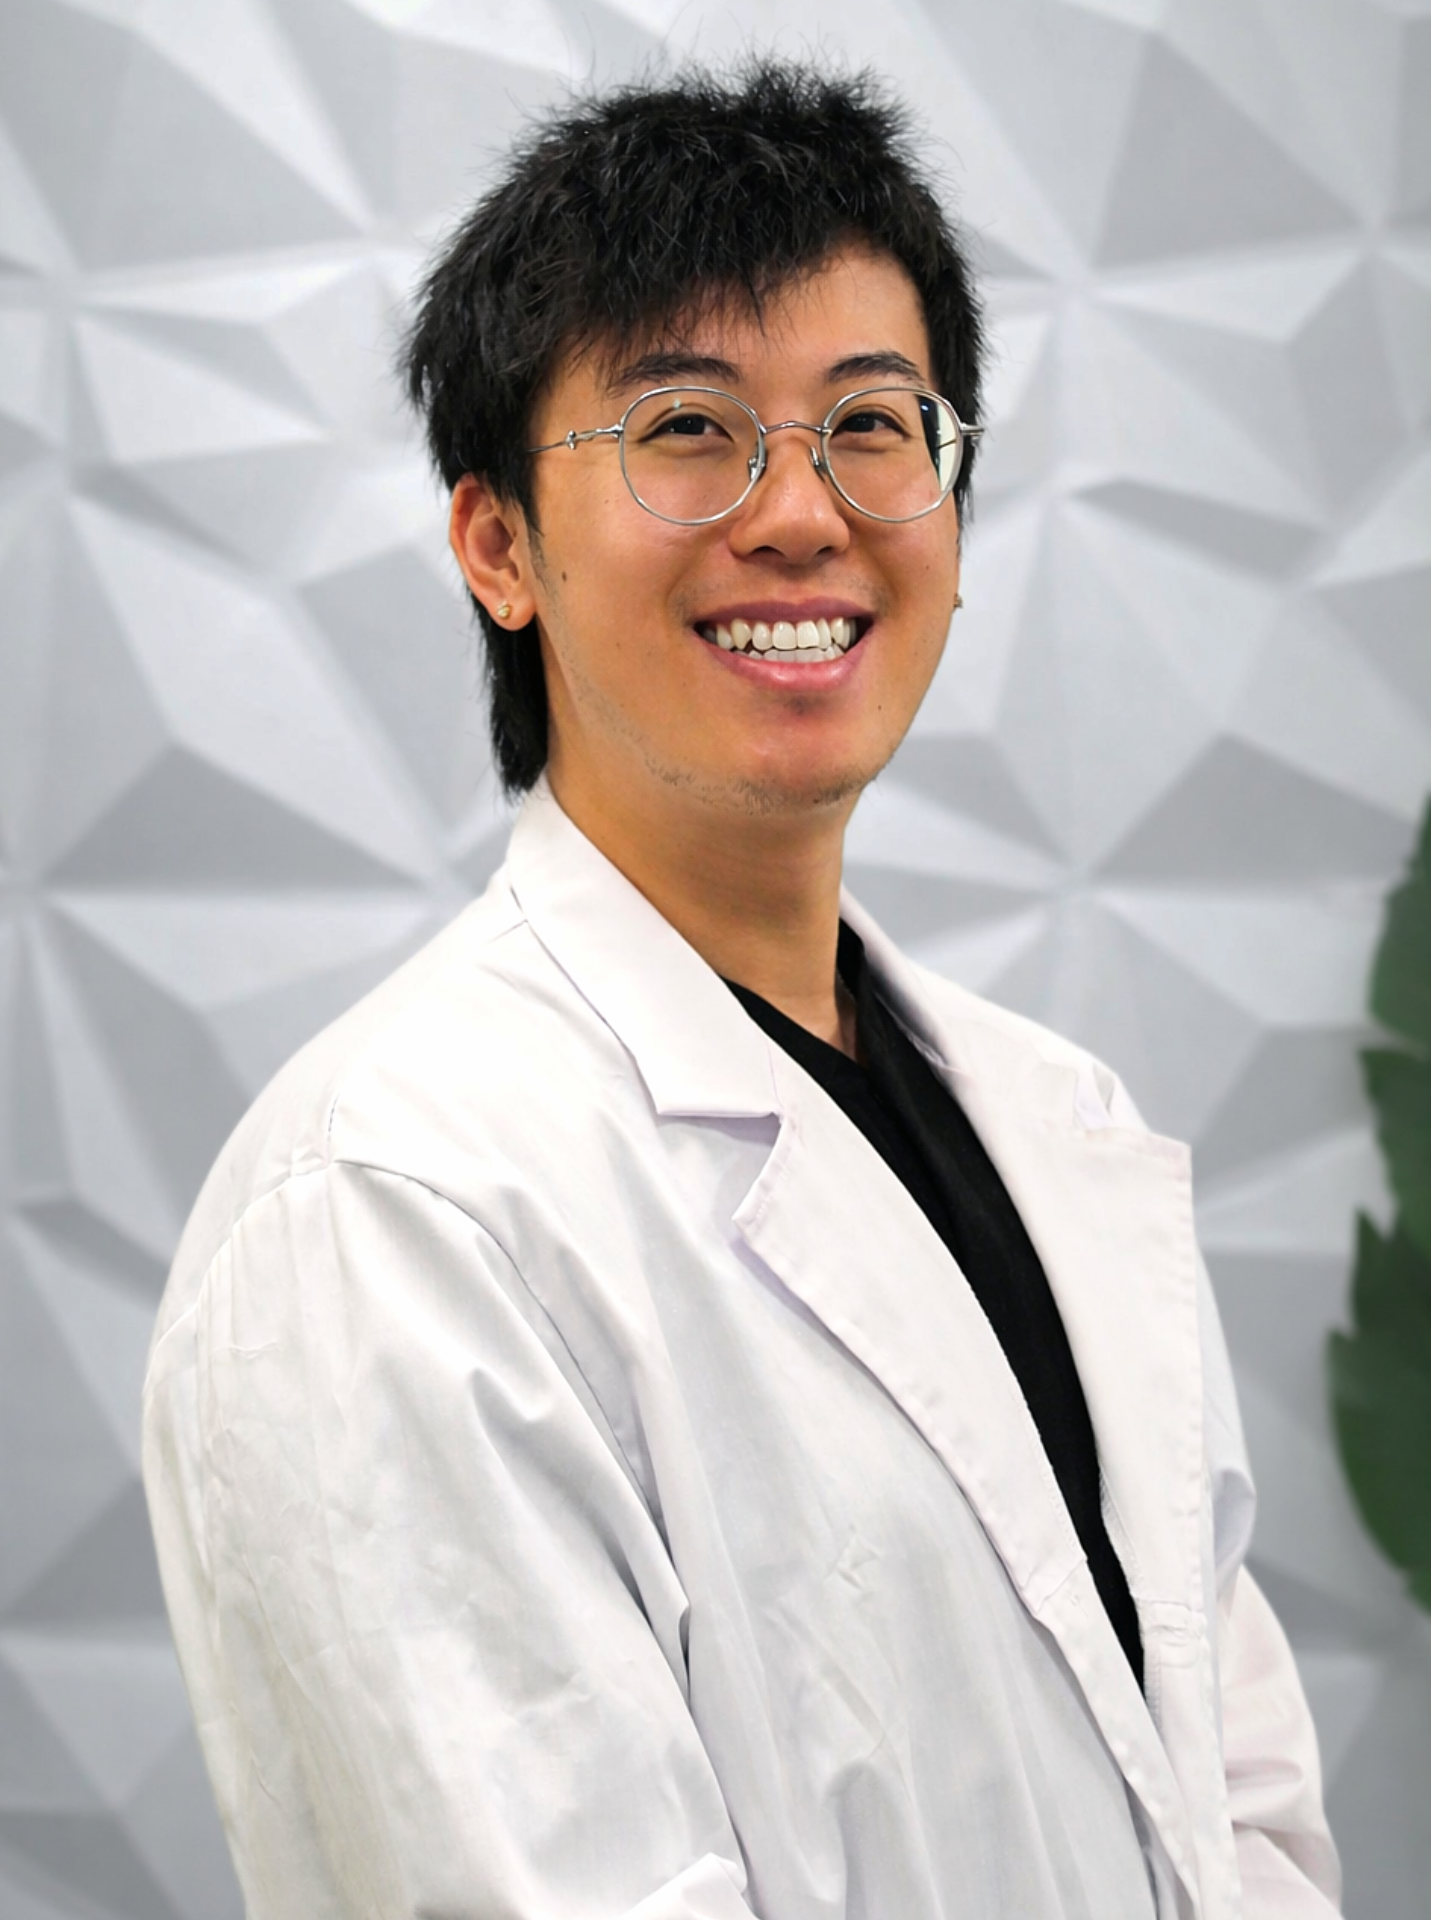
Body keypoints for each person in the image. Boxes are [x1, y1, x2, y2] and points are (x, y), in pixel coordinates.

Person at [142, 63, 1343, 1920]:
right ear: (497, 545)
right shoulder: (389, 1205)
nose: (801, 513)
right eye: (687, 429)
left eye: (872, 424)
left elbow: (1242, 1825)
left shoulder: (1058, 1126)